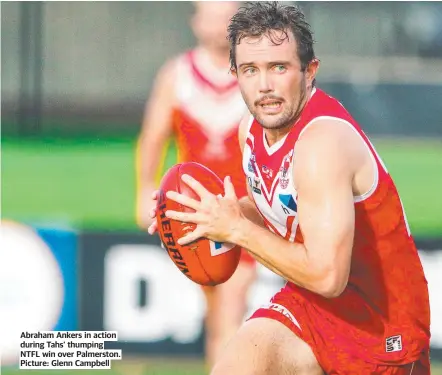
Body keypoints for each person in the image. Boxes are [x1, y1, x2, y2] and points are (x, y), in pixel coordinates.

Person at [148, 2, 431, 374]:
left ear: (309, 71)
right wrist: (208, 213)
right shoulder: (249, 131)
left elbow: (328, 276)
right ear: (235, 73)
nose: (264, 85)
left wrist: (237, 230)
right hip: (311, 308)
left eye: (278, 67)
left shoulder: (322, 143)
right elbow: (277, 209)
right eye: (250, 69)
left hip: (379, 328)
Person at [136, 1, 257, 368]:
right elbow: (153, 137)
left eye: (227, 17)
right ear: (195, 22)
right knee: (216, 311)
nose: (219, 25)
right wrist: (145, 188)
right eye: (212, 16)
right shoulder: (177, 75)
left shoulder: (254, 75)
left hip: (244, 209)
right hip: (192, 212)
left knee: (231, 312)